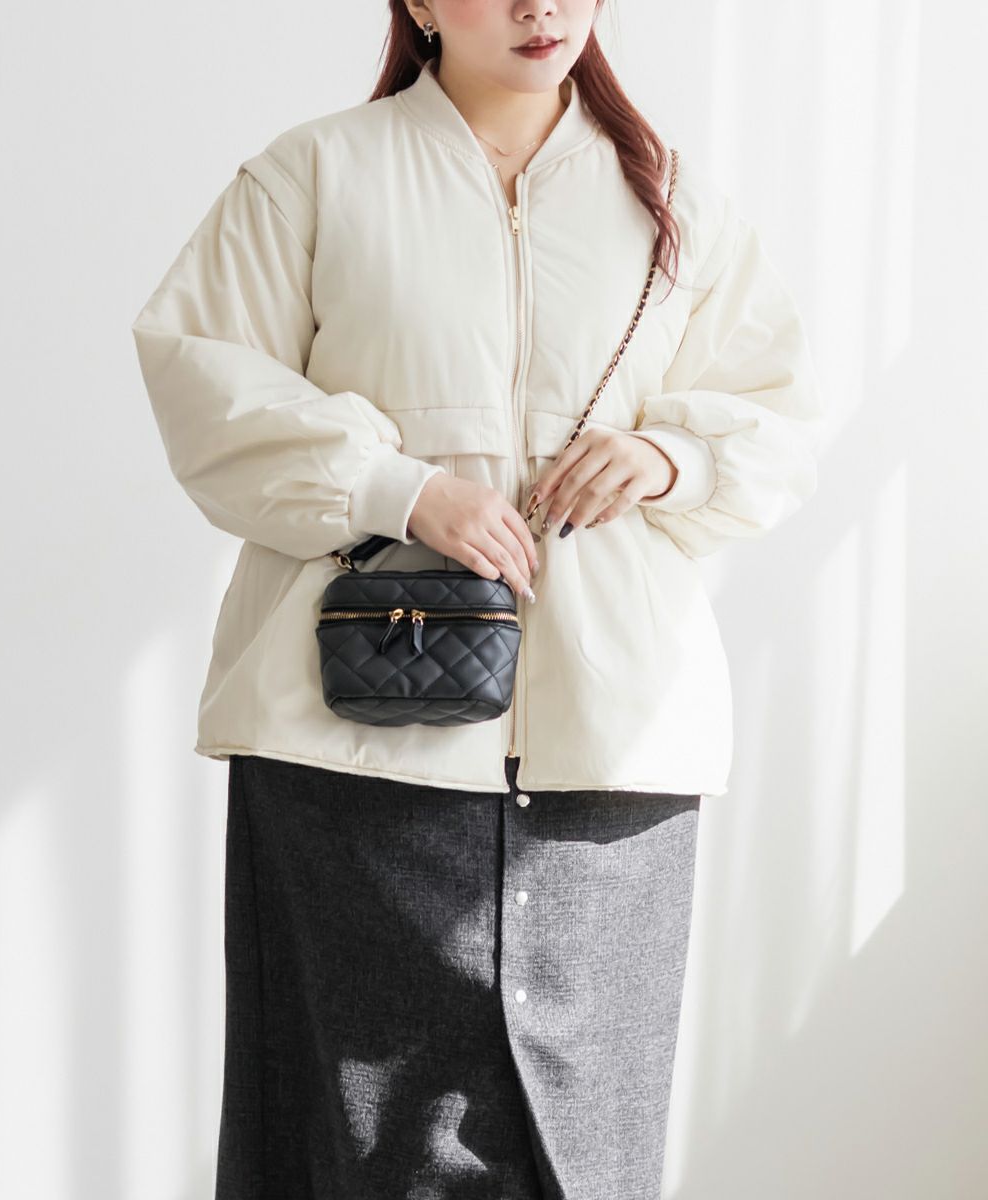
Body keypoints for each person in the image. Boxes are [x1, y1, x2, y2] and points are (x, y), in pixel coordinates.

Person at [131, 2, 824, 1197]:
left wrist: (671, 457)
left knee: (588, 1149)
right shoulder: (314, 174)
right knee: (357, 1148)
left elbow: (781, 414)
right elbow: (203, 379)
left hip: (613, 745)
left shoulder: (672, 200)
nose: (538, 6)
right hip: (353, 746)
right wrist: (398, 489)